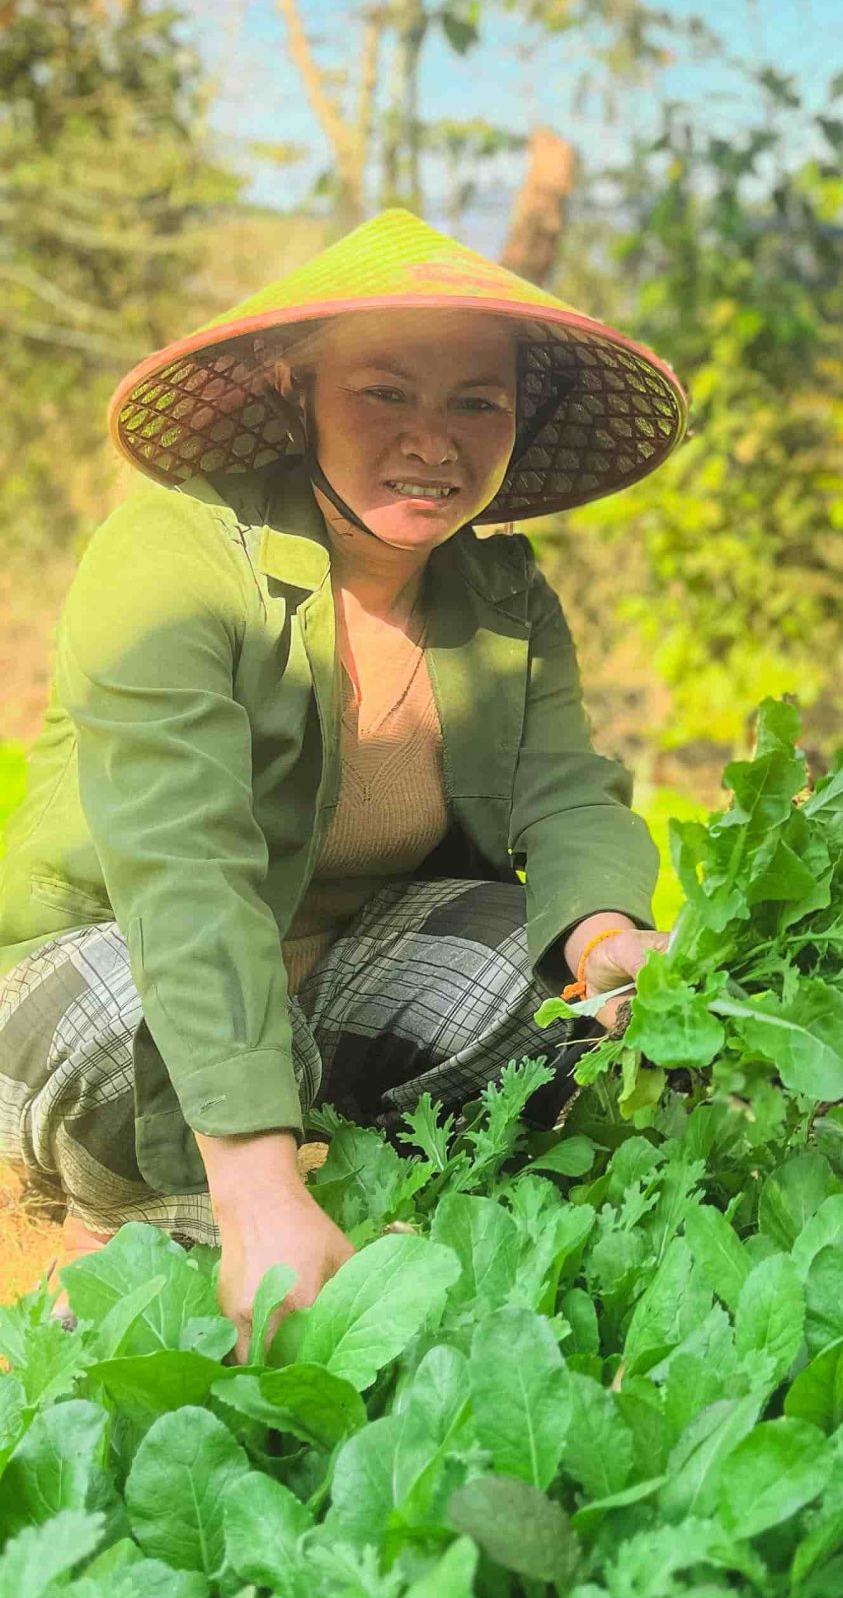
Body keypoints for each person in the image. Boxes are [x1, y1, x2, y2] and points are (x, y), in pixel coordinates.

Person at [0, 207, 686, 1348]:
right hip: (113, 971)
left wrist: (610, 942)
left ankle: (310, 1163)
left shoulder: (505, 598)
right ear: (293, 391)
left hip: (326, 989)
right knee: (145, 1004)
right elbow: (185, 870)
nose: (435, 439)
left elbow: (565, 791)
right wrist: (256, 1180)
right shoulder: (173, 556)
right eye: (385, 391)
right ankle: (144, 1226)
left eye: (479, 400)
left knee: (525, 963)